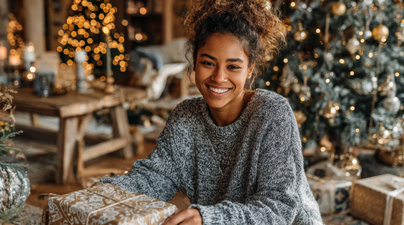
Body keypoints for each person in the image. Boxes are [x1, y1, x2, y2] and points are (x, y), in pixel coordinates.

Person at [100, 0, 322, 224]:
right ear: (194, 62)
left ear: (250, 69)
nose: (219, 77)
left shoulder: (273, 113)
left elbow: (278, 208)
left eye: (233, 66)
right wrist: (103, 194)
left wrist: (208, 218)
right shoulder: (184, 117)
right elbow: (155, 177)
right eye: (208, 63)